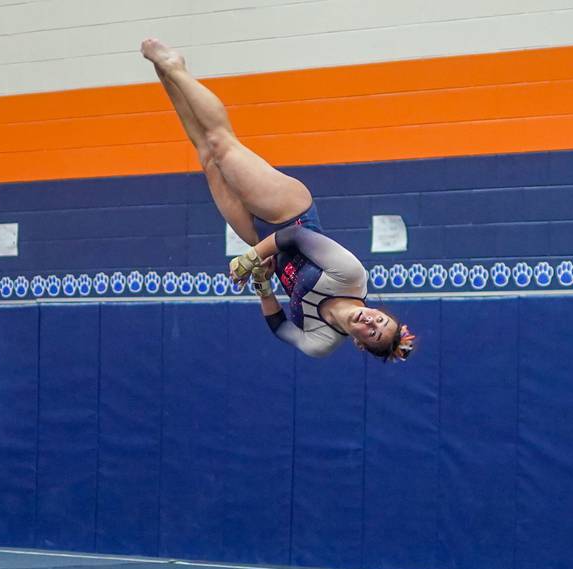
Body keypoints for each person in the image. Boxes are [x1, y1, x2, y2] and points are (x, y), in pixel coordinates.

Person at [142, 39, 414, 361]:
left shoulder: (321, 341)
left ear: (360, 344)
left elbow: (279, 325)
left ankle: (167, 75)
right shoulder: (352, 276)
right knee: (221, 144)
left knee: (207, 157)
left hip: (261, 239)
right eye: (379, 319)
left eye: (373, 333)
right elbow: (296, 236)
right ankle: (174, 65)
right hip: (291, 213)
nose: (370, 322)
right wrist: (251, 259)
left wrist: (262, 284)